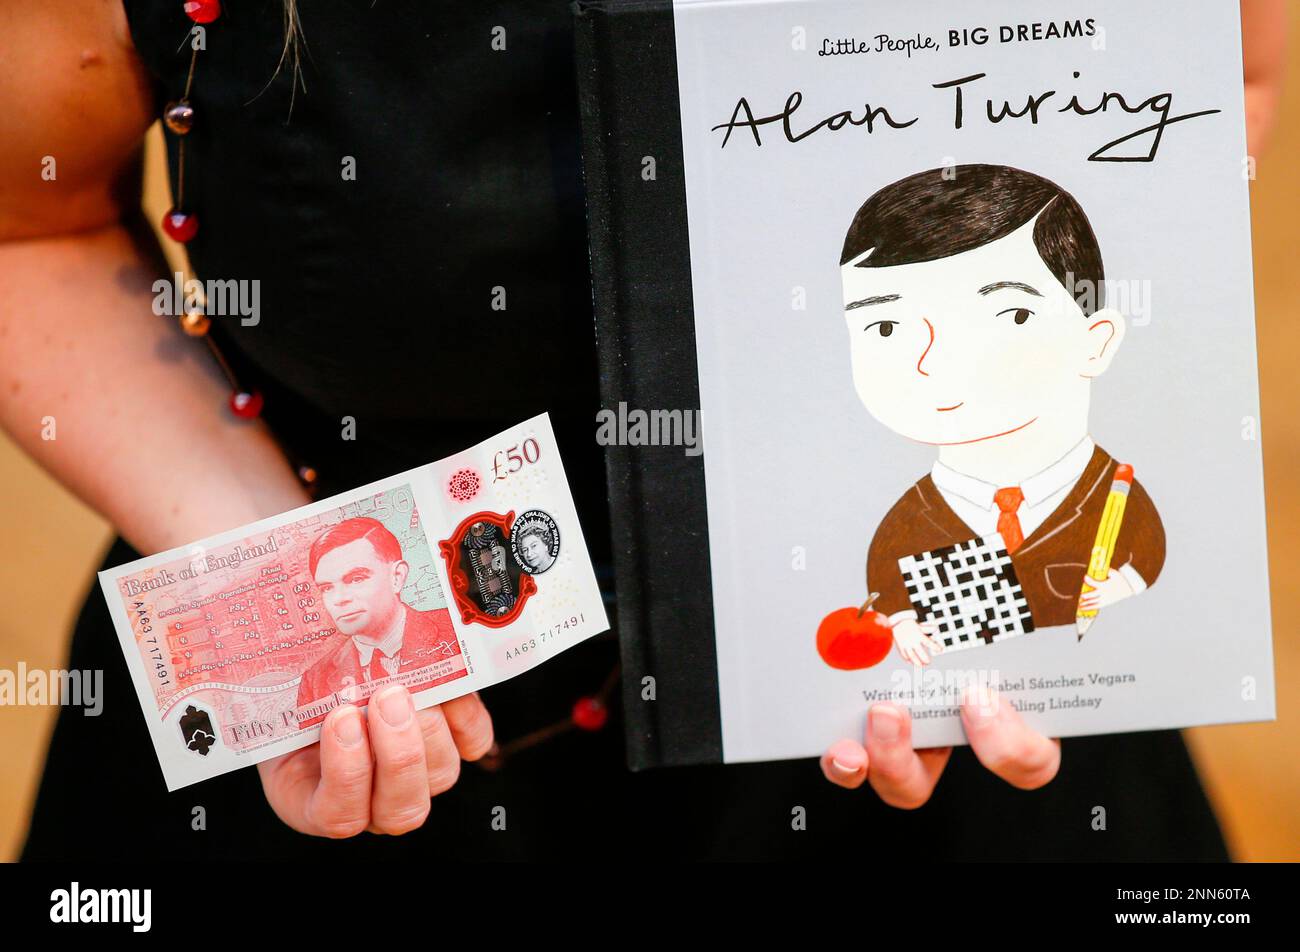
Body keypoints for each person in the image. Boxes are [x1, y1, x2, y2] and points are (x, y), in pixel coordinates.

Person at [2, 1, 1285, 859]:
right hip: (371, 725)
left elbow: (1222, 70)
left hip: (972, 697)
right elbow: (28, 221)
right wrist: (289, 599)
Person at [839, 165, 1164, 666]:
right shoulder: (914, 518)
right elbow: (888, 582)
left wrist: (1122, 584)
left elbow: (1146, 552)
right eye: (885, 327)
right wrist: (902, 623)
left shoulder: (1112, 488)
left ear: (1094, 342)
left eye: (1011, 316)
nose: (933, 361)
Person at [295, 517, 460, 726]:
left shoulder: (454, 628)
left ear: (397, 577)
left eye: (356, 579)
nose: (339, 599)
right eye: (327, 588)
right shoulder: (314, 682)